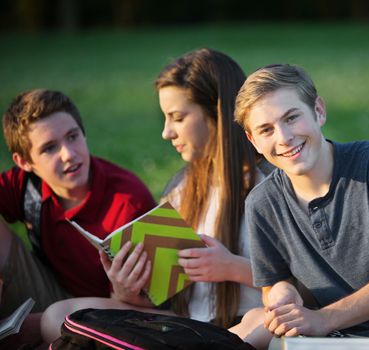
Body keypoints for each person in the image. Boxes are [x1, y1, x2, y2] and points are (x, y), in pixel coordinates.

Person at [41, 49, 270, 348]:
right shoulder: (181, 187)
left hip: (241, 327)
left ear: (217, 111)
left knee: (267, 321)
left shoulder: (269, 183)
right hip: (181, 326)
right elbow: (163, 302)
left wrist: (231, 267)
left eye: (177, 117)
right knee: (57, 315)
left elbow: (304, 289)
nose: (166, 132)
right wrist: (127, 290)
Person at [233, 63, 369, 338]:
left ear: (319, 110)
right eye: (266, 130)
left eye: (291, 118)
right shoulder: (262, 203)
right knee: (252, 329)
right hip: (338, 338)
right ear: (252, 140)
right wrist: (283, 295)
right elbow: (273, 283)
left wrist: (324, 319)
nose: (284, 137)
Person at [0, 89, 156, 343]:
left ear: (83, 133)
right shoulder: (26, 185)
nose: (68, 154)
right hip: (51, 290)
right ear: (25, 162)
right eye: (49, 148)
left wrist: (126, 294)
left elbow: (152, 311)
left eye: (72, 137)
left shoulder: (129, 201)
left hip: (107, 312)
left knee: (53, 323)